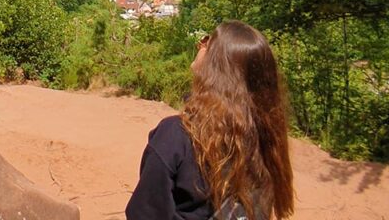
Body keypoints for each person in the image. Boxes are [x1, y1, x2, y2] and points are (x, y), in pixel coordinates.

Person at [126, 21, 294, 220]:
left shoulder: (176, 136)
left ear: (216, 65)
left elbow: (144, 213)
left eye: (206, 41)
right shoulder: (266, 137)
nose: (200, 45)